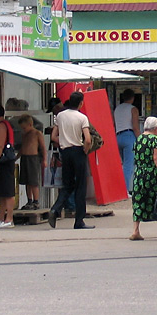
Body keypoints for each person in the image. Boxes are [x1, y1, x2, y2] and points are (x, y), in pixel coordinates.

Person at [48, 91, 95, 230]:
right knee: (81, 186)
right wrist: (85, 150)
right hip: (78, 151)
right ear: (81, 103)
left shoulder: (61, 116)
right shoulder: (82, 118)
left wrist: (62, 141)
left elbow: (53, 136)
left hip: (65, 152)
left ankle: (55, 209)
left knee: (67, 184)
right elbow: (87, 139)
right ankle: (79, 221)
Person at [128, 116, 157, 241]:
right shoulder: (155, 140)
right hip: (152, 174)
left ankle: (135, 230)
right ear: (155, 128)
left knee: (138, 200)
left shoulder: (138, 139)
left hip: (139, 174)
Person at [16, 113, 47, 210]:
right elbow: (22, 147)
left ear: (30, 125)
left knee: (33, 181)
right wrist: (17, 157)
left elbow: (42, 147)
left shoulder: (37, 133)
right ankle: (29, 200)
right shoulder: (24, 135)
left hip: (33, 158)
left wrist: (45, 159)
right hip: (24, 158)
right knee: (26, 181)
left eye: (24, 128)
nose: (23, 130)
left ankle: (36, 201)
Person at [113, 88, 140, 193]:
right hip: (129, 136)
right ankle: (124, 190)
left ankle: (119, 188)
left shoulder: (117, 109)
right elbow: (135, 127)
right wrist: (141, 139)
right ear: (133, 98)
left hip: (118, 136)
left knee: (122, 165)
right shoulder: (133, 109)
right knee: (128, 165)